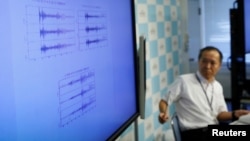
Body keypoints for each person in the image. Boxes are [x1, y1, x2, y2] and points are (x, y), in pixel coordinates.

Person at [158, 46, 250, 141]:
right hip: (193, 134)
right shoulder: (184, 81)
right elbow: (164, 101)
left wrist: (235, 114)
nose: (207, 66)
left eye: (212, 63)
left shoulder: (217, 86)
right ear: (199, 62)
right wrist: (163, 113)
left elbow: (219, 115)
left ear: (219, 65)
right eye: (204, 61)